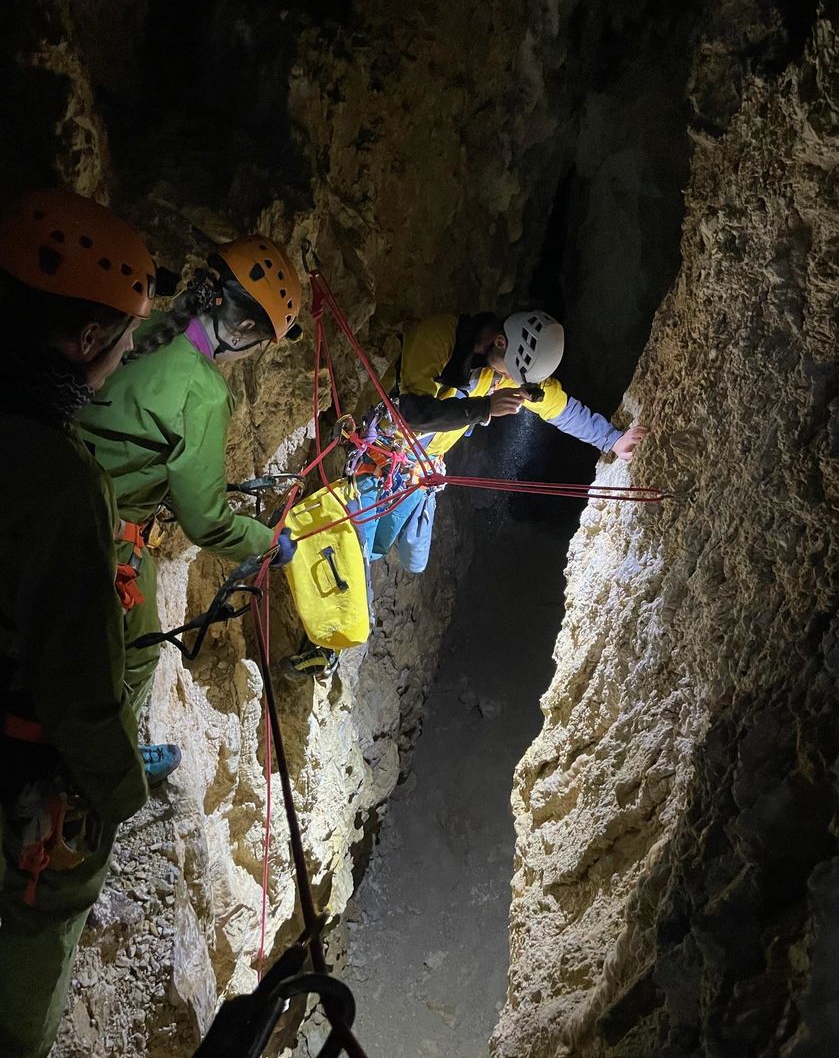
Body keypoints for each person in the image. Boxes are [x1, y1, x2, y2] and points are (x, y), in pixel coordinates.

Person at [280, 309, 647, 681]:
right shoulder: (439, 337)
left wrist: (612, 440)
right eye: (508, 370)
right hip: (378, 456)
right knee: (352, 549)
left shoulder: (512, 373)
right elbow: (412, 411)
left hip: (415, 472)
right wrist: (483, 408)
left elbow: (562, 409)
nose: (506, 379)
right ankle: (325, 643)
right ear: (500, 341)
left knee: (395, 554)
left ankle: (337, 622)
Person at [0, 189, 154, 1058]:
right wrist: (119, 787)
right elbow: (80, 689)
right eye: (121, 343)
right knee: (30, 936)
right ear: (85, 341)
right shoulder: (60, 482)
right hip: (16, 763)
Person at [77, 234, 302, 780]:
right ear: (245, 330)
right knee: (138, 652)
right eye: (259, 343)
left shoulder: (151, 326)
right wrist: (268, 544)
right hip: (103, 524)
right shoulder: (202, 391)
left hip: (69, 475)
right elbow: (206, 521)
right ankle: (110, 766)